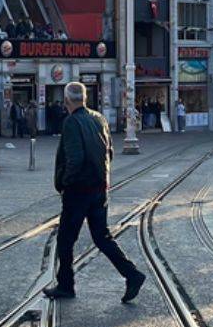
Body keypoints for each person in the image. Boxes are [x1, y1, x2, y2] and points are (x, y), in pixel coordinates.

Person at [43, 82, 146, 302]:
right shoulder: (99, 118)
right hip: (99, 189)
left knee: (65, 240)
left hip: (78, 191)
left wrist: (64, 182)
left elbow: (75, 158)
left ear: (67, 101)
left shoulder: (71, 122)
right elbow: (109, 151)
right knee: (102, 237)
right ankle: (132, 274)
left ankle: (66, 285)